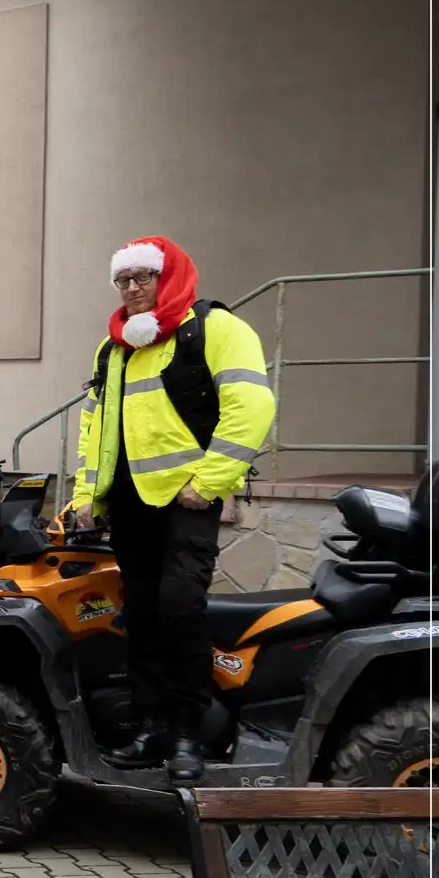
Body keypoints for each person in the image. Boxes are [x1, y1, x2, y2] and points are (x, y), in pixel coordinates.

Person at [71, 236, 275, 783]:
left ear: (169, 277)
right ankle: (151, 726)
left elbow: (252, 407)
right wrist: (86, 496)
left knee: (181, 611)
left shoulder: (215, 329)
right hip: (131, 504)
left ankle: (189, 734)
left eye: (143, 277)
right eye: (123, 280)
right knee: (139, 616)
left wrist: (207, 483)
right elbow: (95, 429)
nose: (133, 289)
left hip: (187, 500)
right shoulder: (112, 349)